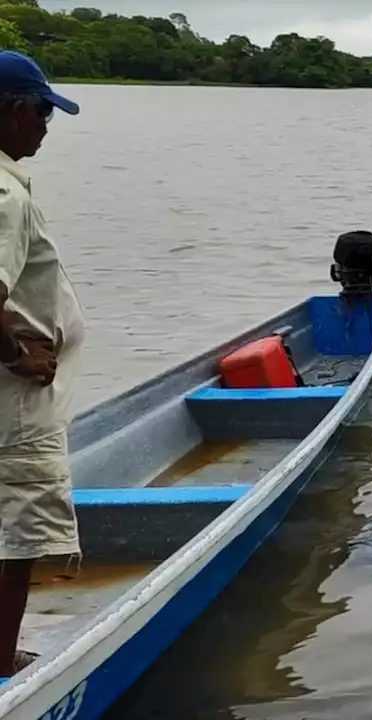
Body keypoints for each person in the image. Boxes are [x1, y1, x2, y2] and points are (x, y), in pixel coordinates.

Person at [0, 50, 85, 678]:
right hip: (15, 406)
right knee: (18, 536)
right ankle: (2, 662)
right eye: (39, 110)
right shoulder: (4, 196)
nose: (46, 126)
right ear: (8, 112)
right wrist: (17, 356)